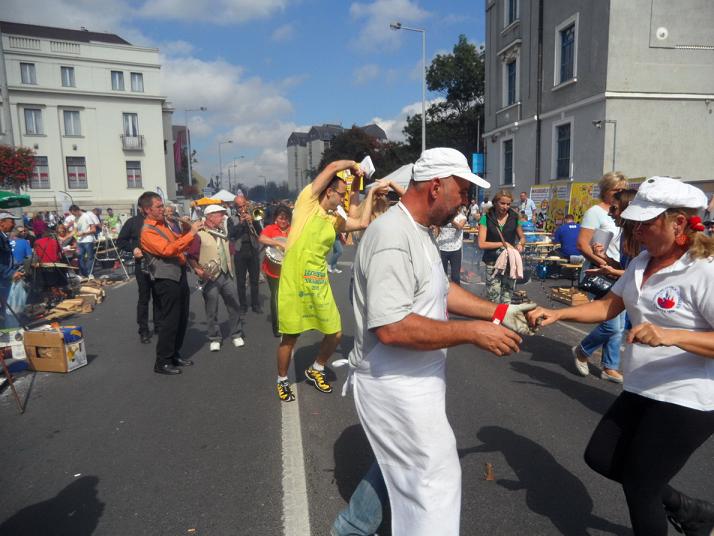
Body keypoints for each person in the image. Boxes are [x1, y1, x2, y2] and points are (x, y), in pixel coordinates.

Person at [332, 148, 536, 536]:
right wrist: (472, 332)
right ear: (435, 187)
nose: (466, 202)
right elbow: (391, 327)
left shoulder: (419, 230)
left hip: (416, 377)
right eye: (462, 192)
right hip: (392, 382)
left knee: (407, 465)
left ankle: (351, 528)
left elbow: (440, 289)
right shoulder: (393, 235)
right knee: (434, 480)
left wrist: (499, 312)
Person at [527, 176, 714, 536]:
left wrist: (671, 335)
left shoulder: (703, 269)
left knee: (642, 487)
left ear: (679, 224)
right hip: (642, 387)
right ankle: (689, 510)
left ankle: (689, 513)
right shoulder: (641, 262)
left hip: (687, 397)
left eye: (646, 223)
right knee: (601, 457)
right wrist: (557, 314)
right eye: (635, 223)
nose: (637, 231)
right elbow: (607, 307)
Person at [275, 160, 384, 402]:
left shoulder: (334, 219)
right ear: (329, 192)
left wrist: (370, 192)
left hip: (318, 280)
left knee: (335, 333)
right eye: (341, 195)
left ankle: (316, 369)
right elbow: (333, 166)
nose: (343, 200)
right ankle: (282, 380)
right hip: (294, 280)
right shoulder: (307, 202)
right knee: (291, 336)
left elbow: (362, 223)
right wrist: (354, 165)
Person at [572, 172, 628, 382]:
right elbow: (582, 244)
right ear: (605, 190)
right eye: (616, 189)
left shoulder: (625, 212)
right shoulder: (595, 212)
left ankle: (609, 366)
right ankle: (582, 350)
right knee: (612, 324)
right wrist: (602, 263)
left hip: (620, 270)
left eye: (623, 190)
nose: (620, 193)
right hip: (601, 272)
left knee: (619, 324)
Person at [140, 192, 203, 375]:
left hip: (178, 274)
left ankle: (174, 353)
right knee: (170, 320)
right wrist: (192, 233)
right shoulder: (148, 231)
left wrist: (186, 229)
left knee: (182, 317)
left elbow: (178, 243)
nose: (163, 209)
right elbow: (167, 250)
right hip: (166, 278)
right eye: (159, 207)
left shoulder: (163, 225)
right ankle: (162, 361)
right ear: (147, 210)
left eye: (162, 206)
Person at [187, 205, 245, 352]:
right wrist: (198, 270)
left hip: (226, 274)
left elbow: (230, 250)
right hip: (210, 277)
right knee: (211, 308)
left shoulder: (223, 231)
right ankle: (214, 337)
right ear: (210, 217)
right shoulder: (199, 234)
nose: (223, 218)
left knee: (234, 304)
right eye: (220, 215)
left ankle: (236, 333)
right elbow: (191, 255)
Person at [117, 199, 160, 344]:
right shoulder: (133, 222)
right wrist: (133, 248)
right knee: (144, 298)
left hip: (159, 263)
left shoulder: (159, 221)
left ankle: (159, 325)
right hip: (142, 264)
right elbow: (121, 241)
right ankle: (143, 330)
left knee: (159, 296)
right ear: (142, 208)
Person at [478, 190, 525, 303]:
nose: (505, 207)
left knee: (507, 297)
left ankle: (504, 315)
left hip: (509, 262)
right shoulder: (486, 218)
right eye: (502, 203)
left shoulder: (514, 217)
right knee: (493, 298)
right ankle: (495, 315)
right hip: (492, 263)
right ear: (495, 202)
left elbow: (522, 237)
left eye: (508, 204)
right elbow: (481, 243)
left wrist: (520, 244)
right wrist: (503, 244)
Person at [259, 205, 291, 338]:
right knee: (276, 296)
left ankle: (288, 320)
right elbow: (262, 238)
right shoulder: (270, 228)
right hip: (273, 270)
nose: (283, 221)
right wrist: (278, 243)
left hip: (289, 269)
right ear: (276, 218)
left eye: (286, 218)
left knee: (289, 296)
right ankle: (276, 325)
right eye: (280, 218)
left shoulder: (293, 229)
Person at [229, 195, 263, 314]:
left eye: (244, 205)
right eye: (240, 207)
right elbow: (231, 234)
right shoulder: (231, 219)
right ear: (235, 208)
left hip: (253, 249)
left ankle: (255, 304)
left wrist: (252, 220)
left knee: (255, 279)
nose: (242, 209)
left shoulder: (254, 214)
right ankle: (243, 305)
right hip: (240, 250)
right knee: (241, 281)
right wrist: (241, 223)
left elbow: (261, 232)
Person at [0, 212, 24, 327]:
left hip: (5, 277)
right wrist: (10, 273)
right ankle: (8, 329)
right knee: (6, 306)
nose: (14, 224)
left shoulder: (3, 236)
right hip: (3, 278)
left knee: (7, 307)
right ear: (1, 222)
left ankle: (8, 327)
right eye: (11, 221)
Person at [436, 205, 467, 285]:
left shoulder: (462, 217)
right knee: (442, 275)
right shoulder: (442, 216)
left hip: (455, 249)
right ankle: (443, 291)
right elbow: (437, 229)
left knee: (455, 276)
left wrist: (450, 219)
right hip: (442, 248)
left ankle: (456, 291)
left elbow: (459, 227)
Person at [70, 205, 97, 277]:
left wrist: (84, 233)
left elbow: (94, 229)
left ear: (77, 211)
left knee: (90, 257)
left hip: (88, 240)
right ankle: (84, 273)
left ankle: (89, 273)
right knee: (80, 257)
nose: (73, 215)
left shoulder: (87, 216)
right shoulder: (76, 218)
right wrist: (65, 238)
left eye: (74, 213)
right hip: (80, 241)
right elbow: (74, 230)